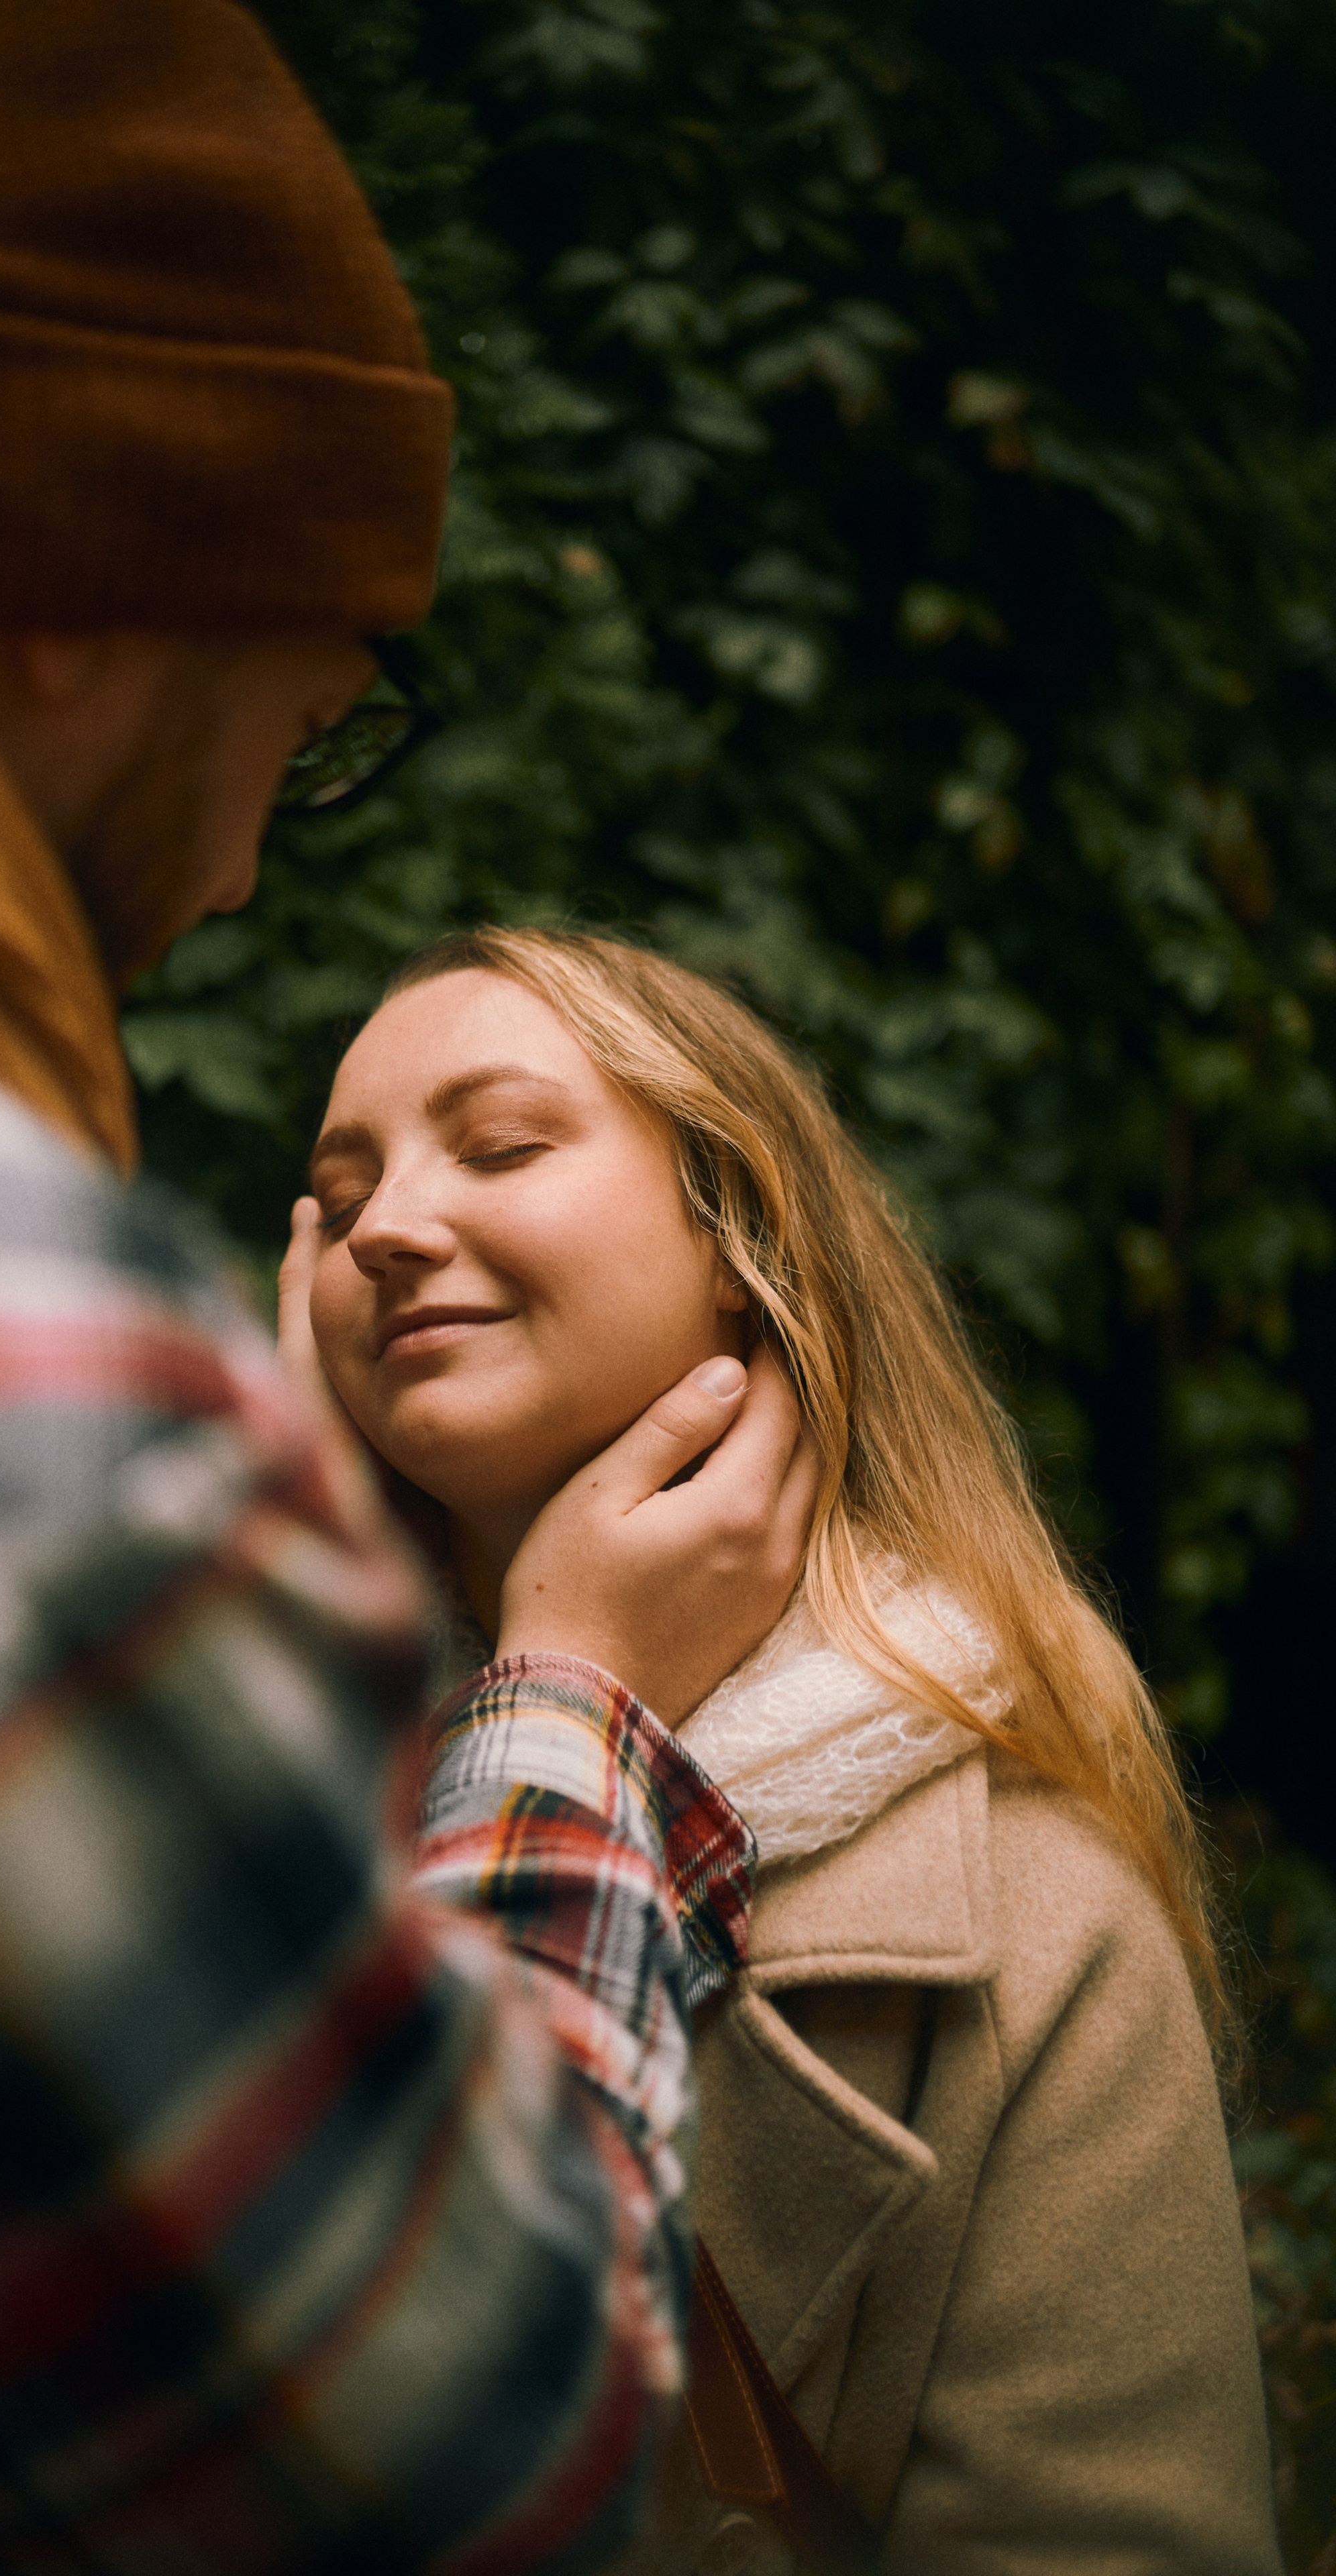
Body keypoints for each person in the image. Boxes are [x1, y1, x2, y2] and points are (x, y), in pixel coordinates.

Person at [0, 7, 821, 2569]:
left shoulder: (990, 1867)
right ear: (70, 578)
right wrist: (559, 1716)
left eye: (508, 1140)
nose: (256, 870)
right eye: (303, 720)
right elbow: (468, 2480)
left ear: (758, 1237)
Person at [288, 926, 1283, 2576]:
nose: (386, 1226)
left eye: (500, 1144)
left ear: (743, 1239)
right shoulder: (193, 1781)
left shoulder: (1022, 1922)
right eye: (337, 1191)